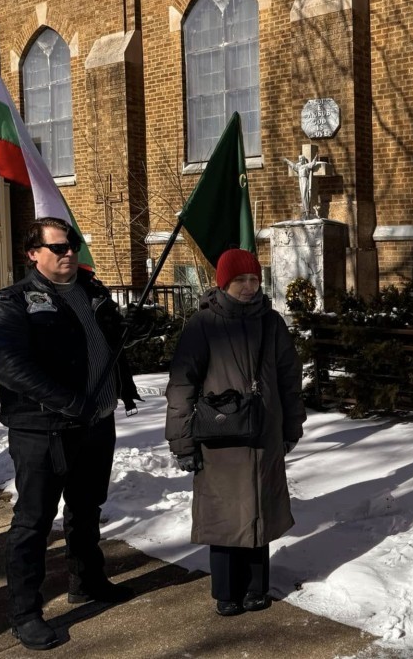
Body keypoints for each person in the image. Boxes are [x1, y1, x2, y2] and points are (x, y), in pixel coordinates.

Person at [0, 217, 140, 651]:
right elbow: (12, 368)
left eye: (71, 245)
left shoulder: (92, 292)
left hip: (95, 424)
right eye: (57, 248)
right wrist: (71, 404)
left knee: (87, 508)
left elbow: (107, 347)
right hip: (43, 430)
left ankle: (86, 580)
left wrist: (131, 329)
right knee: (33, 522)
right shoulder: (11, 302)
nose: (68, 252)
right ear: (33, 254)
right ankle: (25, 613)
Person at [165, 248, 306, 617]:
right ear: (223, 283)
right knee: (224, 515)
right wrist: (182, 442)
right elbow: (182, 385)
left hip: (264, 435)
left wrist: (292, 426)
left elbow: (290, 378)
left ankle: (256, 587)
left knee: (260, 509)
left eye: (253, 279)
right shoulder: (203, 324)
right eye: (240, 280)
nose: (248, 286)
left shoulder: (272, 323)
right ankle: (226, 591)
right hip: (221, 437)